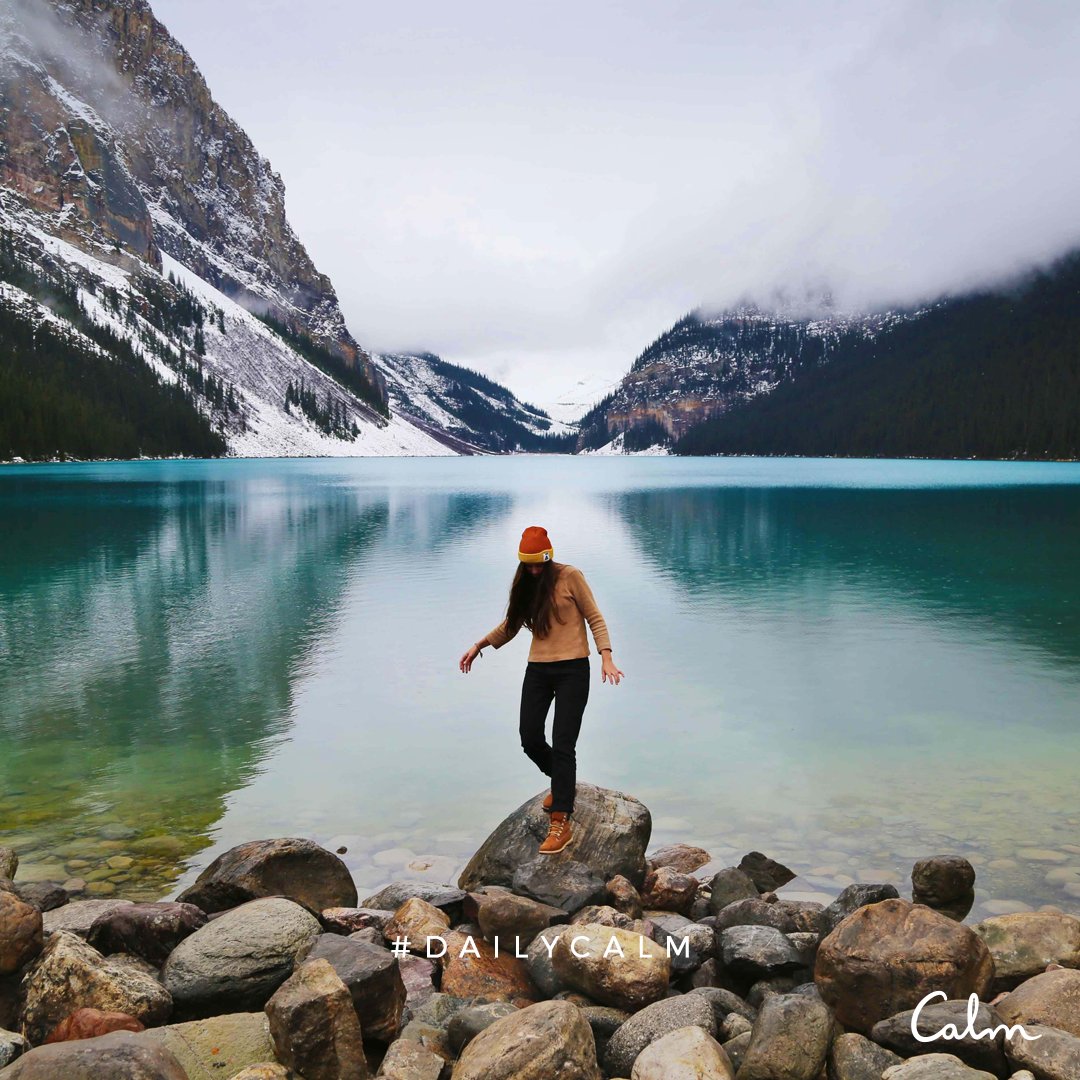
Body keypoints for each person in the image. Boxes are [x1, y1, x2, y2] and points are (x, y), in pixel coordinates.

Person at [459, 525, 624, 855]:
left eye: (539, 565)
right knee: (529, 737)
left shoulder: (570, 576)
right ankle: (563, 783)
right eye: (529, 566)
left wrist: (606, 657)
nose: (534, 571)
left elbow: (595, 618)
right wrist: (479, 646)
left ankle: (561, 821)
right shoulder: (526, 584)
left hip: (573, 670)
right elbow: (511, 625)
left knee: (564, 743)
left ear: (548, 559)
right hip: (538, 670)